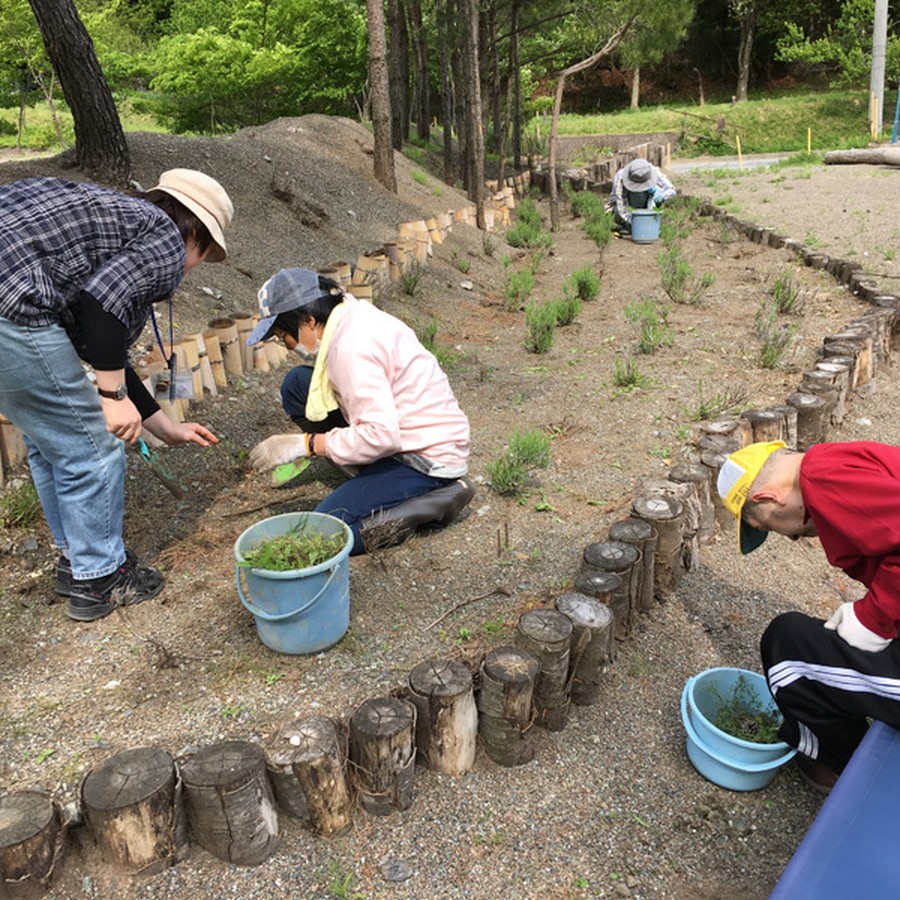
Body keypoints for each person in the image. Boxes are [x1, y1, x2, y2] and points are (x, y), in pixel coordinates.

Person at [0, 169, 233, 622]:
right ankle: (101, 578)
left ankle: (77, 561)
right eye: (204, 256)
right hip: (13, 304)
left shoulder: (113, 224)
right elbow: (103, 303)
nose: (192, 266)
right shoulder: (164, 237)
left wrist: (163, 425)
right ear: (197, 237)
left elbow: (97, 341)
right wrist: (110, 397)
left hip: (9, 298)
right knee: (93, 449)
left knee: (52, 443)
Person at [247, 268, 474, 554]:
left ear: (307, 321)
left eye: (284, 336)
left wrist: (305, 445)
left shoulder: (350, 349)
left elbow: (381, 435)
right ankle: (368, 472)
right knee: (298, 385)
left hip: (424, 457)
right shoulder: (349, 315)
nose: (287, 346)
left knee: (324, 533)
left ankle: (432, 500)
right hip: (403, 429)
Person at [717, 439, 900, 792]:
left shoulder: (824, 480)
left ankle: (845, 773)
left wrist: (872, 618)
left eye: (768, 526)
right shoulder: (852, 459)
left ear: (768, 498)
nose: (790, 537)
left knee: (788, 652)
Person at [606, 158, 676, 235]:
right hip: (624, 207)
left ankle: (651, 219)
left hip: (646, 204)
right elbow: (622, 208)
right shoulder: (620, 177)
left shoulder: (652, 172)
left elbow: (671, 189)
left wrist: (661, 195)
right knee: (617, 213)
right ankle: (626, 226)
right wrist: (638, 223)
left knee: (657, 191)